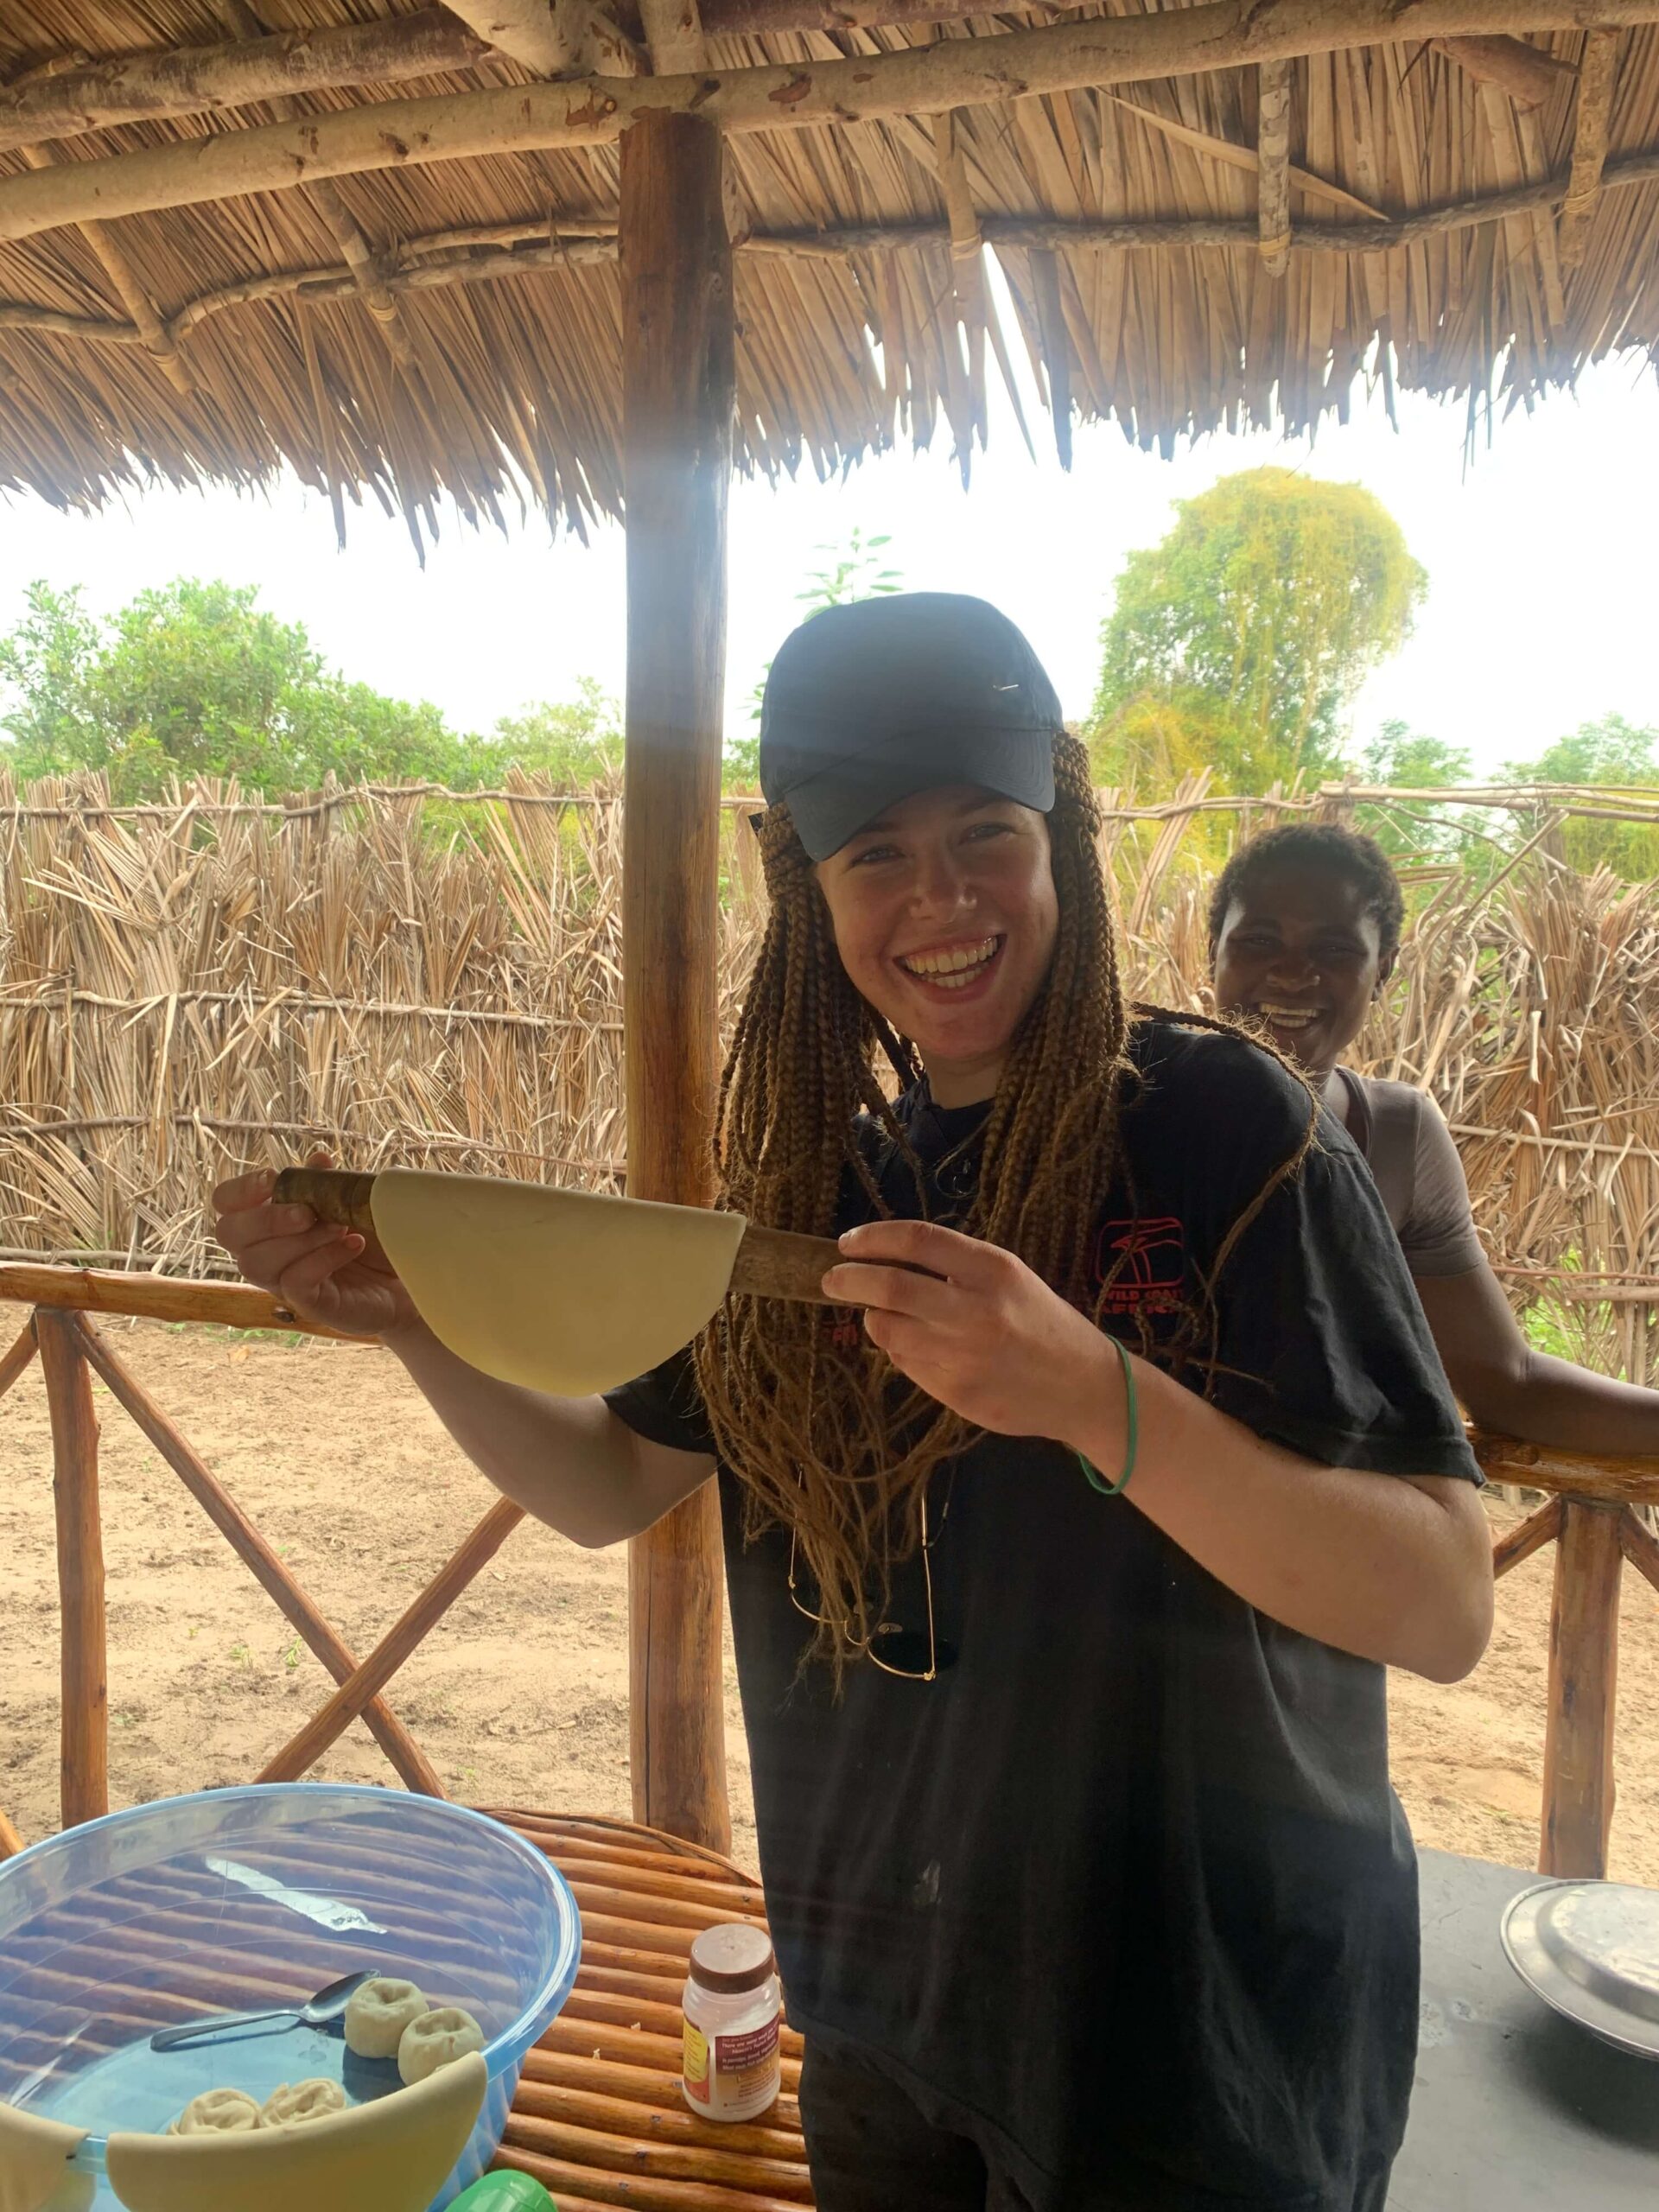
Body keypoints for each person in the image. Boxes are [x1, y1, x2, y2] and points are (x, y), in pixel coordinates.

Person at [215, 594, 1492, 2212]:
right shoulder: (824, 1196)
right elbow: (613, 1482)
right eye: (873, 853)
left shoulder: (1223, 1129)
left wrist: (1098, 1400)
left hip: (1197, 2033)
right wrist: (416, 1330)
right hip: (889, 1997)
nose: (940, 897)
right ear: (807, 892)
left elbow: (1444, 1599)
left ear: (1066, 839)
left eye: (986, 833)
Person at [1210, 821, 1659, 1456]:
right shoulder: (1131, 1101)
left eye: (1334, 950)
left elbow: (1509, 1381)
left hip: (1311, 1532)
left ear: (1383, 968)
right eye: (1259, 941)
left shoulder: (1395, 1136)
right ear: (1215, 953)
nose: (1292, 973)